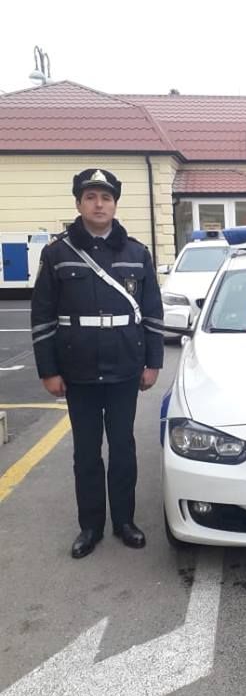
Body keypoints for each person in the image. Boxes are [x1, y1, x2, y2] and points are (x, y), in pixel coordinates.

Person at [31, 168, 164, 558]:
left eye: (105, 197)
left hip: (125, 366)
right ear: (78, 204)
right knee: (86, 452)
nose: (99, 204)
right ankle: (90, 526)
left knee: (123, 447)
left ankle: (124, 521)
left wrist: (152, 362)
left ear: (115, 204)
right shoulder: (56, 254)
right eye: (90, 197)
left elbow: (153, 314)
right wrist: (48, 370)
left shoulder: (137, 253)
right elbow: (42, 316)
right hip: (78, 370)